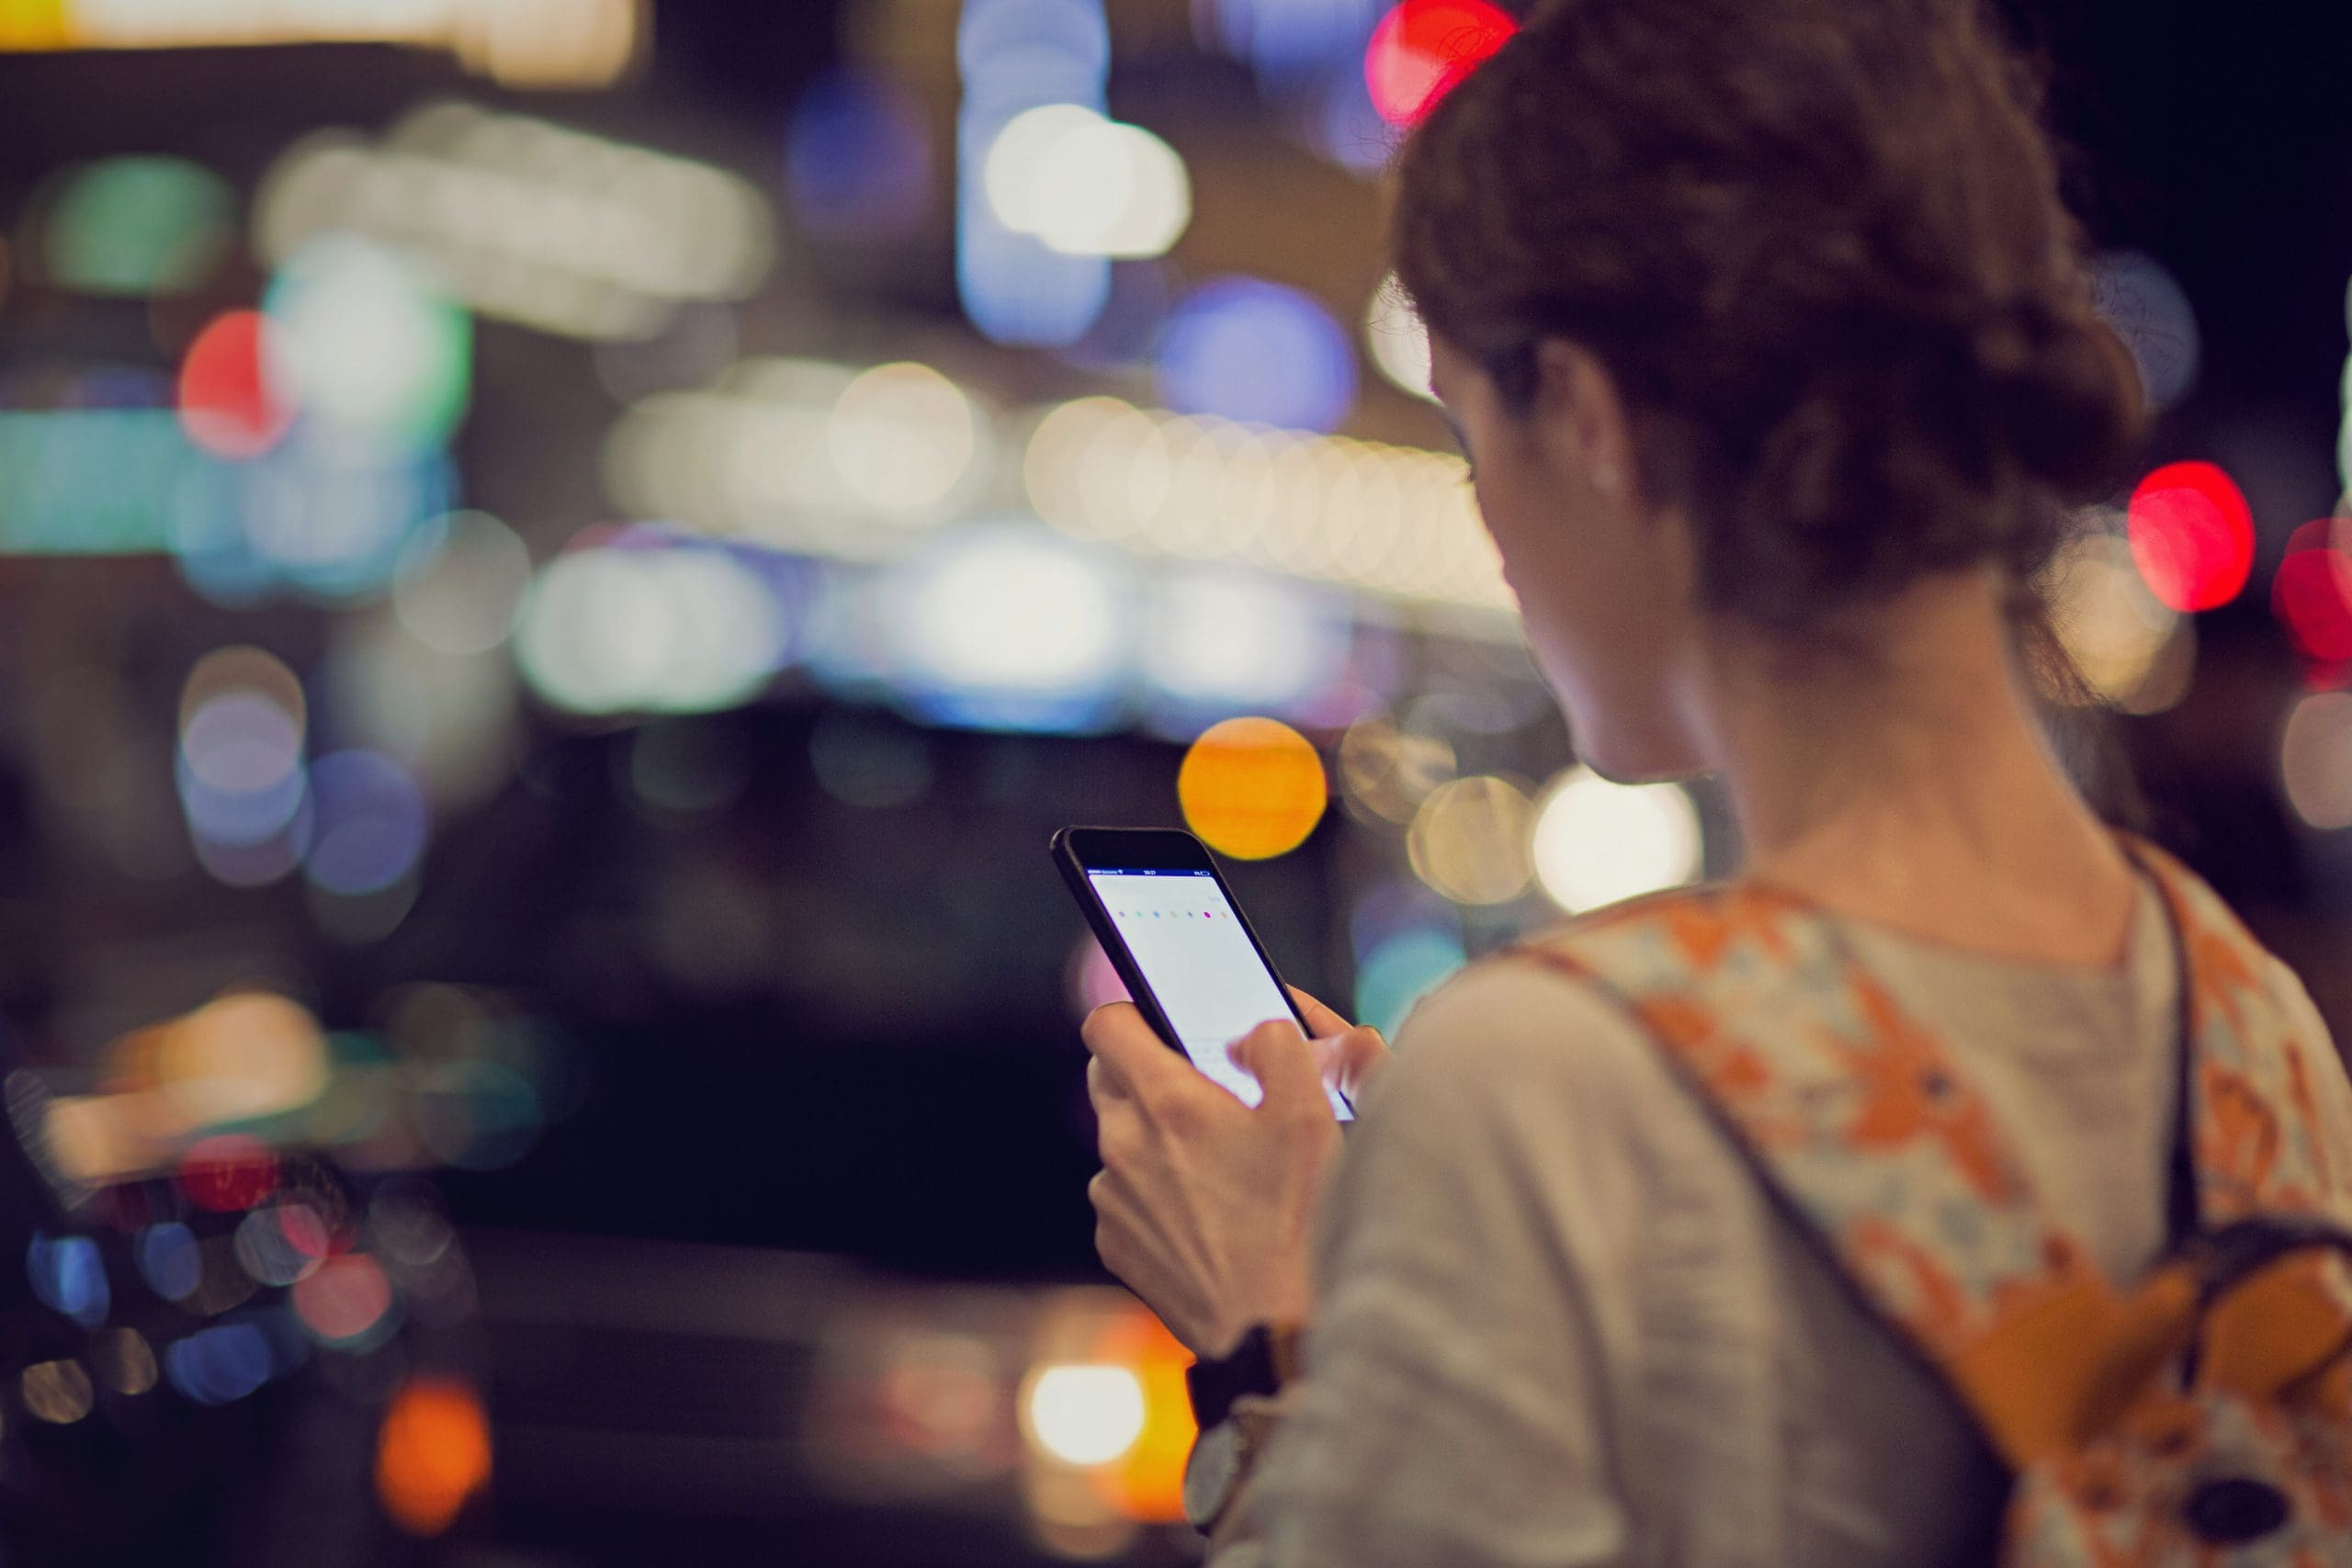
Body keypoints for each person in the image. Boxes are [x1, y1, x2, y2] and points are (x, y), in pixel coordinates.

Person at [1077, 0, 2352, 1563]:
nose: (1494, 531)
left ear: (1594, 423)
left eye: (1481, 445)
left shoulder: (1551, 1081)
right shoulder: (2258, 1038)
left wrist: (1276, 1334)